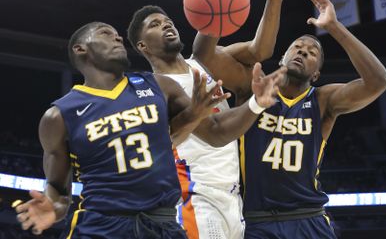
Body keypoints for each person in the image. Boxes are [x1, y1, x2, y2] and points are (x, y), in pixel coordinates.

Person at [14, 22, 285, 238]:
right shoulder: (59, 115)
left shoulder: (159, 85)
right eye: (106, 33)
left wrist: (255, 104)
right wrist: (52, 208)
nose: (117, 38)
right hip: (103, 224)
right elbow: (58, 190)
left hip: (162, 224)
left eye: (118, 35)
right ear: (80, 49)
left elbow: (213, 133)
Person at [127, 0, 285, 239]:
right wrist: (254, 105)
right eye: (155, 25)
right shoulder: (156, 87)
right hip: (194, 196)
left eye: (167, 20)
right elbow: (215, 132)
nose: (166, 24)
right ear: (143, 45)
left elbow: (260, 50)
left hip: (232, 195)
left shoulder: (203, 62)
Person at [239, 0, 386, 239]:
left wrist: (334, 27)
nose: (303, 52)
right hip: (258, 220)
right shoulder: (253, 88)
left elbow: (378, 81)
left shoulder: (322, 100)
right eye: (297, 47)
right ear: (282, 60)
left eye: (312, 53)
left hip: (309, 218)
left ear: (316, 75)